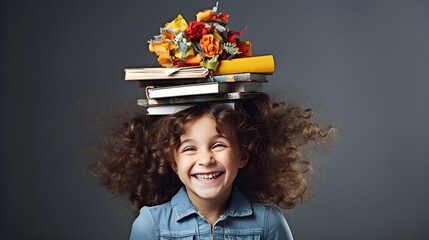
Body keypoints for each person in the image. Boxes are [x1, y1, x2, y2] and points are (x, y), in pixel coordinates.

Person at [91, 94, 334, 239]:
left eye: (218, 145)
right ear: (173, 162)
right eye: (189, 148)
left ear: (242, 155)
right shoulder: (150, 225)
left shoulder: (268, 223)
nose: (205, 159)